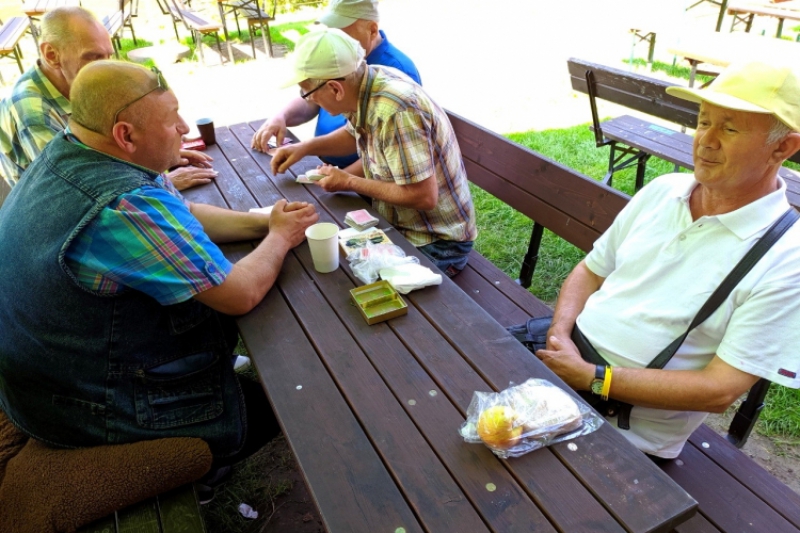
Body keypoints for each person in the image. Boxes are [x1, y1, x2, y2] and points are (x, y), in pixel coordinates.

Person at [0, 61, 318, 480]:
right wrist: (279, 238)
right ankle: (194, 478)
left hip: (44, 381)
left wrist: (267, 221)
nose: (185, 128)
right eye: (172, 122)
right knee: (273, 410)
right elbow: (239, 293)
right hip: (80, 405)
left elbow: (181, 216)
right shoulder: (122, 205)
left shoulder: (76, 150)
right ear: (125, 135)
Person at [534, 61, 800, 459]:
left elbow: (719, 390)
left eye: (729, 128)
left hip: (621, 433)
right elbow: (590, 270)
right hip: (558, 360)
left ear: (783, 147)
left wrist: (593, 379)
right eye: (703, 121)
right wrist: (559, 335)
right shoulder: (664, 190)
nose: (705, 141)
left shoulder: (786, 257)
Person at [270, 29, 476, 277]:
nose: (307, 98)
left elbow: (423, 196)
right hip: (403, 223)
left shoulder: (395, 110)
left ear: (335, 89)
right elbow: (352, 135)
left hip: (436, 241)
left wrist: (348, 181)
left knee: (342, 280)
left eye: (307, 92)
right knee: (323, 257)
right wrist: (305, 147)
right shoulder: (365, 83)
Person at [0, 6, 216, 191]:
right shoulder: (33, 112)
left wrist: (161, 148)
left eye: (108, 55)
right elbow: (78, 187)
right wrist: (163, 180)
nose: (104, 66)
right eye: (93, 57)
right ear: (51, 55)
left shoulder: (78, 81)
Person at [251, 0, 420, 174]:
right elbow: (314, 99)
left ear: (372, 29)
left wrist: (344, 178)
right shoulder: (349, 65)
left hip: (364, 180)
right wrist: (282, 117)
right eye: (332, 27)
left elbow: (386, 154)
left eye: (343, 30)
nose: (335, 37)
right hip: (328, 166)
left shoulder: (395, 73)